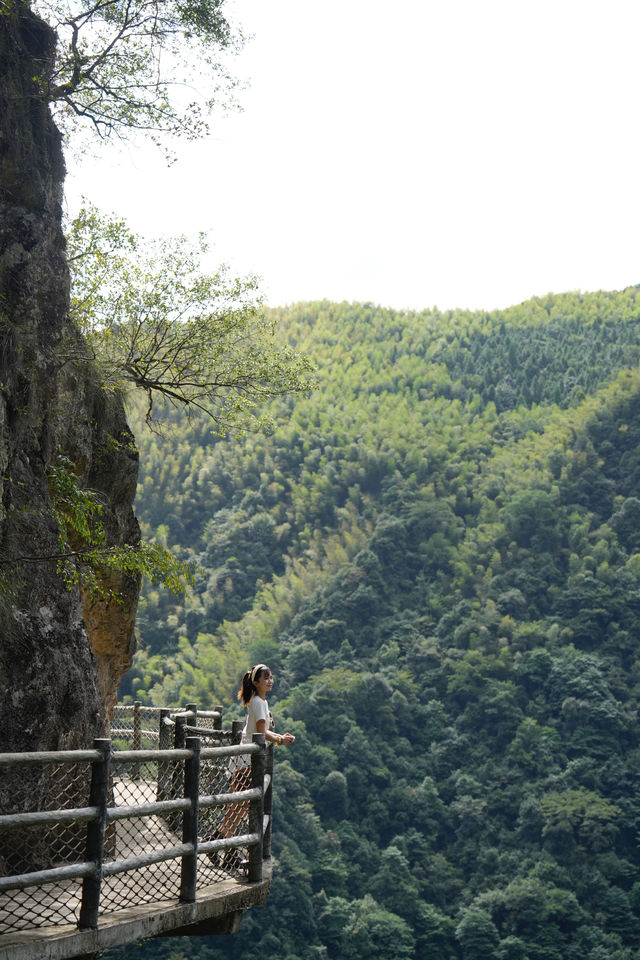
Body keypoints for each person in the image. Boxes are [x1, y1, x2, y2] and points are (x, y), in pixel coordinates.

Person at [219, 664, 295, 868]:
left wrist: (278, 738)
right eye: (266, 678)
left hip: (245, 758)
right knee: (239, 806)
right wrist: (281, 739)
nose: (270, 681)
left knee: (237, 806)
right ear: (256, 682)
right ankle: (221, 843)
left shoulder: (260, 701)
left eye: (271, 677)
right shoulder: (259, 703)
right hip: (248, 761)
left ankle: (225, 847)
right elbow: (260, 733)